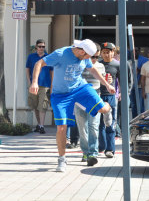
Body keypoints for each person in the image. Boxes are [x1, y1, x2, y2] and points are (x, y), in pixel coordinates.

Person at [29, 39, 115, 172]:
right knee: (61, 128)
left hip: (80, 88)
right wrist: (34, 82)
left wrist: (107, 84)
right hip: (60, 95)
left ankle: (107, 107)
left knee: (103, 109)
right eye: (88, 56)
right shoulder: (60, 54)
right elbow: (39, 63)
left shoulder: (85, 56)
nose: (90, 59)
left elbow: (92, 70)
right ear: (81, 51)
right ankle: (62, 160)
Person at [74, 43, 111, 166]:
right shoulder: (79, 63)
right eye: (92, 57)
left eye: (96, 57)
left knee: (93, 126)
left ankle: (93, 153)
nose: (93, 59)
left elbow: (103, 80)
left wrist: (108, 83)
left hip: (95, 97)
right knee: (82, 127)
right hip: (80, 97)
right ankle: (85, 152)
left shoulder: (100, 66)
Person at [98, 42, 132, 158]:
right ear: (101, 53)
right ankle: (101, 146)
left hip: (111, 96)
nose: (106, 54)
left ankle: (110, 149)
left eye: (109, 52)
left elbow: (125, 81)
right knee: (99, 123)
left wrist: (123, 92)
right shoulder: (98, 64)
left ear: (113, 53)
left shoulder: (118, 65)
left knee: (111, 123)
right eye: (104, 52)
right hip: (98, 95)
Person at [26, 39, 53, 134]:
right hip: (33, 85)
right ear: (36, 47)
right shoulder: (31, 57)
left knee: (43, 105)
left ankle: (41, 125)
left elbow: (51, 71)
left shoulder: (48, 57)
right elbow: (27, 69)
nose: (41, 48)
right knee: (35, 106)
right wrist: (29, 82)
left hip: (45, 85)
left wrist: (51, 85)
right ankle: (38, 124)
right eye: (40, 46)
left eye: (43, 47)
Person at [129, 47, 148, 118]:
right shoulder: (129, 61)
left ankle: (141, 120)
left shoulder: (144, 60)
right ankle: (134, 120)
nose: (135, 52)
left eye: (136, 51)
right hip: (131, 86)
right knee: (133, 105)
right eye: (133, 51)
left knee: (140, 105)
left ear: (139, 51)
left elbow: (144, 73)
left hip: (140, 86)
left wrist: (139, 70)